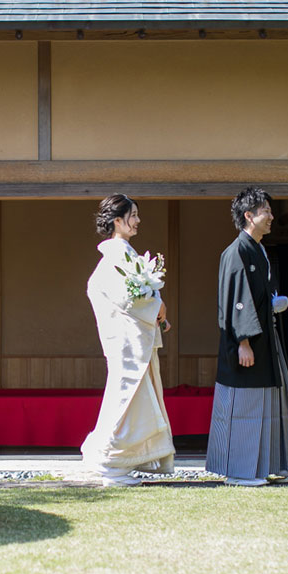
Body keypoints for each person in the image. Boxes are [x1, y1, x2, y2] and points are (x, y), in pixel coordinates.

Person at [206, 188, 288, 486]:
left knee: (275, 404)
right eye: (265, 210)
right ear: (249, 216)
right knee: (245, 408)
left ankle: (282, 465)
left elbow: (256, 296)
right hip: (246, 345)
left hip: (266, 341)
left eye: (269, 210)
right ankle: (239, 472)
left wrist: (272, 303)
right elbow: (235, 301)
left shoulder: (259, 250)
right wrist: (242, 341)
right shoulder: (236, 252)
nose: (271, 216)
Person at [80, 194, 176, 487]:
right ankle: (109, 461)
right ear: (117, 221)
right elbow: (127, 298)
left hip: (133, 340)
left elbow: (135, 297)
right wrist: (156, 307)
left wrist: (156, 309)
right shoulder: (116, 257)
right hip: (127, 344)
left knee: (132, 400)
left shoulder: (123, 255)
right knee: (126, 400)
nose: (137, 221)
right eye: (132, 215)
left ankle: (111, 458)